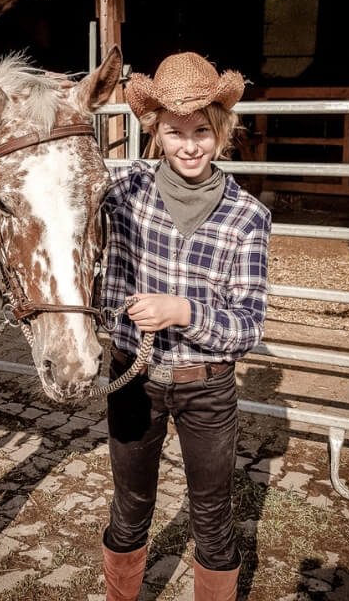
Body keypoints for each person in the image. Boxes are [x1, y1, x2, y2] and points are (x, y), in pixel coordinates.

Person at [99, 52, 271, 601]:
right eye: (175, 133)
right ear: (155, 133)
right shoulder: (122, 194)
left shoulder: (248, 217)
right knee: (129, 510)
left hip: (208, 388)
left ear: (222, 131)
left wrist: (185, 312)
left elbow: (248, 328)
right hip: (134, 377)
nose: (189, 145)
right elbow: (98, 280)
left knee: (213, 521)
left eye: (202, 131)